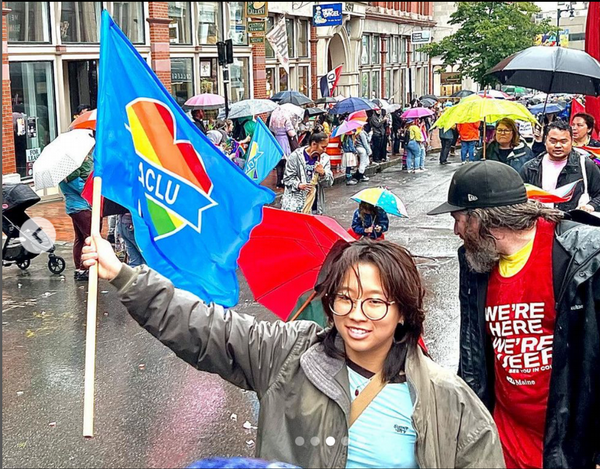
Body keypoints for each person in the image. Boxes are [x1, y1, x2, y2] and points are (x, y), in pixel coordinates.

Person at [81, 236, 505, 469]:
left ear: (403, 311)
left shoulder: (447, 400)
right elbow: (206, 328)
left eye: (375, 302)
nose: (357, 314)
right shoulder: (289, 354)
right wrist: (123, 276)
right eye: (345, 298)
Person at [427, 160, 600, 469]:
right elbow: (473, 353)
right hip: (504, 440)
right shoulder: (475, 263)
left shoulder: (582, 257)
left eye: (458, 219)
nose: (455, 231)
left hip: (567, 447)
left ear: (480, 219)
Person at [520, 120, 600, 213]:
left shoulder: (585, 165)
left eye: (563, 141)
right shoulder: (530, 168)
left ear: (572, 141)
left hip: (575, 224)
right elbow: (519, 199)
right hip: (540, 222)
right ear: (545, 140)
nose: (558, 145)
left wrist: (591, 206)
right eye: (553, 141)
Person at [59, 150, 94, 281]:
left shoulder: (63, 175)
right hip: (81, 208)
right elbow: (84, 189)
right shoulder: (71, 176)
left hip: (74, 207)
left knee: (79, 238)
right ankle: (83, 269)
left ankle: (79, 268)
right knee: (88, 238)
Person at [281, 132, 334, 215]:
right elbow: (287, 179)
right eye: (323, 147)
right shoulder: (295, 156)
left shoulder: (325, 159)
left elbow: (329, 183)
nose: (325, 150)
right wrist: (298, 185)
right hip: (295, 205)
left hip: (315, 204)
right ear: (313, 144)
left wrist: (323, 173)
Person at [269, 107, 298, 189]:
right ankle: (285, 180)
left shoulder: (273, 120)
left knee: (279, 162)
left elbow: (272, 129)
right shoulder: (286, 119)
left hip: (277, 140)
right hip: (284, 140)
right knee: (286, 161)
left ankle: (278, 181)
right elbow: (291, 133)